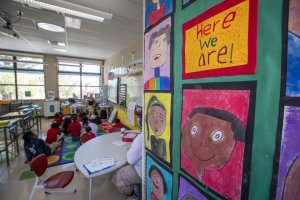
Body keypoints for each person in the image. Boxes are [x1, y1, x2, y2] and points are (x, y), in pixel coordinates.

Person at [112, 133, 143, 200]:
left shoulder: (141, 137)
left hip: (144, 172)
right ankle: (136, 188)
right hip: (155, 168)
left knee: (120, 175)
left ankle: (132, 196)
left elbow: (130, 159)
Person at [144, 24, 171, 90]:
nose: (158, 47)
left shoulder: (167, 82)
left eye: (164, 40)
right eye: (156, 42)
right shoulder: (148, 84)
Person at [146, 96, 167, 160]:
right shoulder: (148, 139)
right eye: (153, 115)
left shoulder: (164, 144)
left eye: (161, 118)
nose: (156, 121)